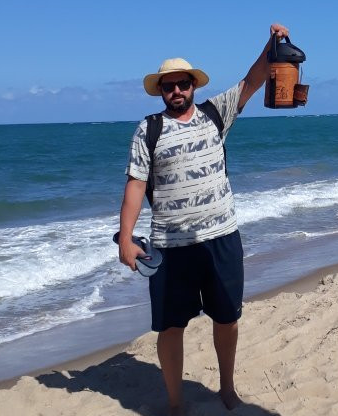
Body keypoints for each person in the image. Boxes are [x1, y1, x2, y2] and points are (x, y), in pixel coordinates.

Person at [118, 23, 289, 416]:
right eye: (168, 86)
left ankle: (227, 389)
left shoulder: (216, 114)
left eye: (182, 84)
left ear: (193, 85)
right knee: (170, 327)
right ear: (160, 90)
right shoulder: (149, 130)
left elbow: (252, 80)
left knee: (227, 318)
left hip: (221, 238)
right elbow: (135, 184)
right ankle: (176, 403)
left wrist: (272, 44)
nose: (176, 91)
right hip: (170, 246)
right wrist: (126, 237)